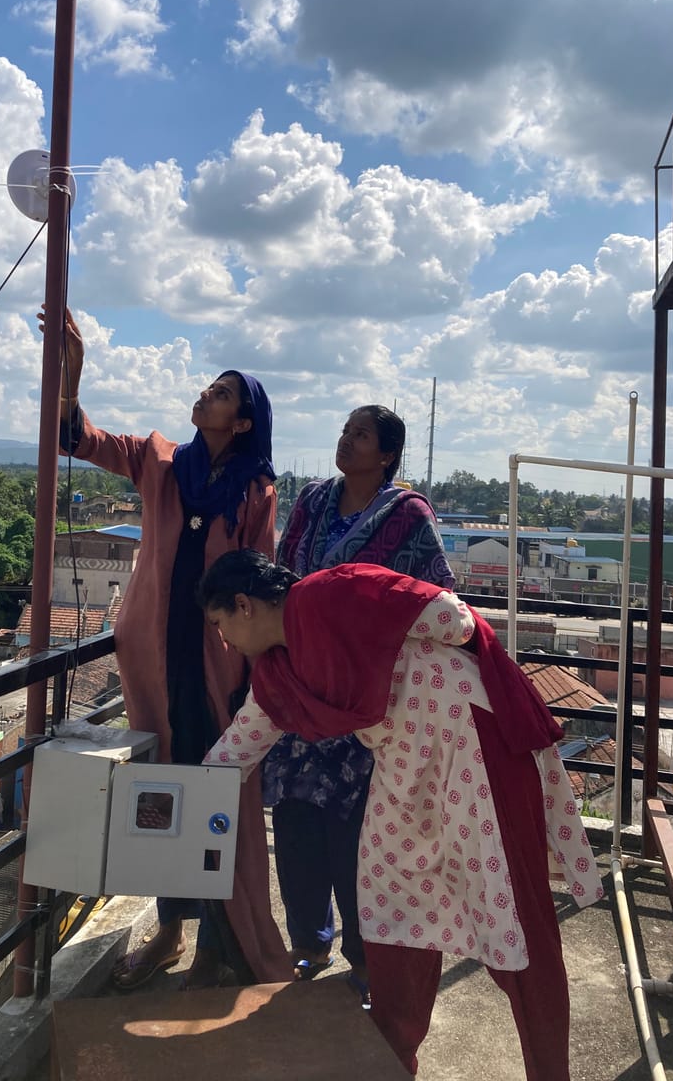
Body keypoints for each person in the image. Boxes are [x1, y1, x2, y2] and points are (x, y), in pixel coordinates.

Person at [198, 550, 603, 1080]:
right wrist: (180, 798)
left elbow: (452, 618)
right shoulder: (279, 671)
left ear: (244, 605)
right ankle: (392, 1057)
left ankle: (550, 1073)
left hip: (470, 742)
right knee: (390, 895)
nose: (224, 640)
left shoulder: (333, 590)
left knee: (510, 910)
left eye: (220, 623)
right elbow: (241, 744)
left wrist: (397, 659)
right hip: (405, 764)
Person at [49, 308, 291, 991]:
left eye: (222, 394)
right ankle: (169, 933)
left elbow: (260, 580)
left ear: (242, 423)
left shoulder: (253, 490)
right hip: (154, 660)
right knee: (162, 793)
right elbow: (81, 440)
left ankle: (226, 938)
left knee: (217, 792)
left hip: (220, 665)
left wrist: (254, 671)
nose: (205, 396)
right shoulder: (160, 459)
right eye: (208, 388)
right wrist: (73, 369)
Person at [269, 406, 455, 998]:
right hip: (303, 690)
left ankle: (365, 955)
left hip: (366, 701)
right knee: (296, 820)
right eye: (345, 430)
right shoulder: (313, 502)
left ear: (387, 456)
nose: (346, 441)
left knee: (357, 833)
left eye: (361, 435)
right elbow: (281, 579)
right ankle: (308, 940)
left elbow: (436, 597)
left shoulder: (409, 516)